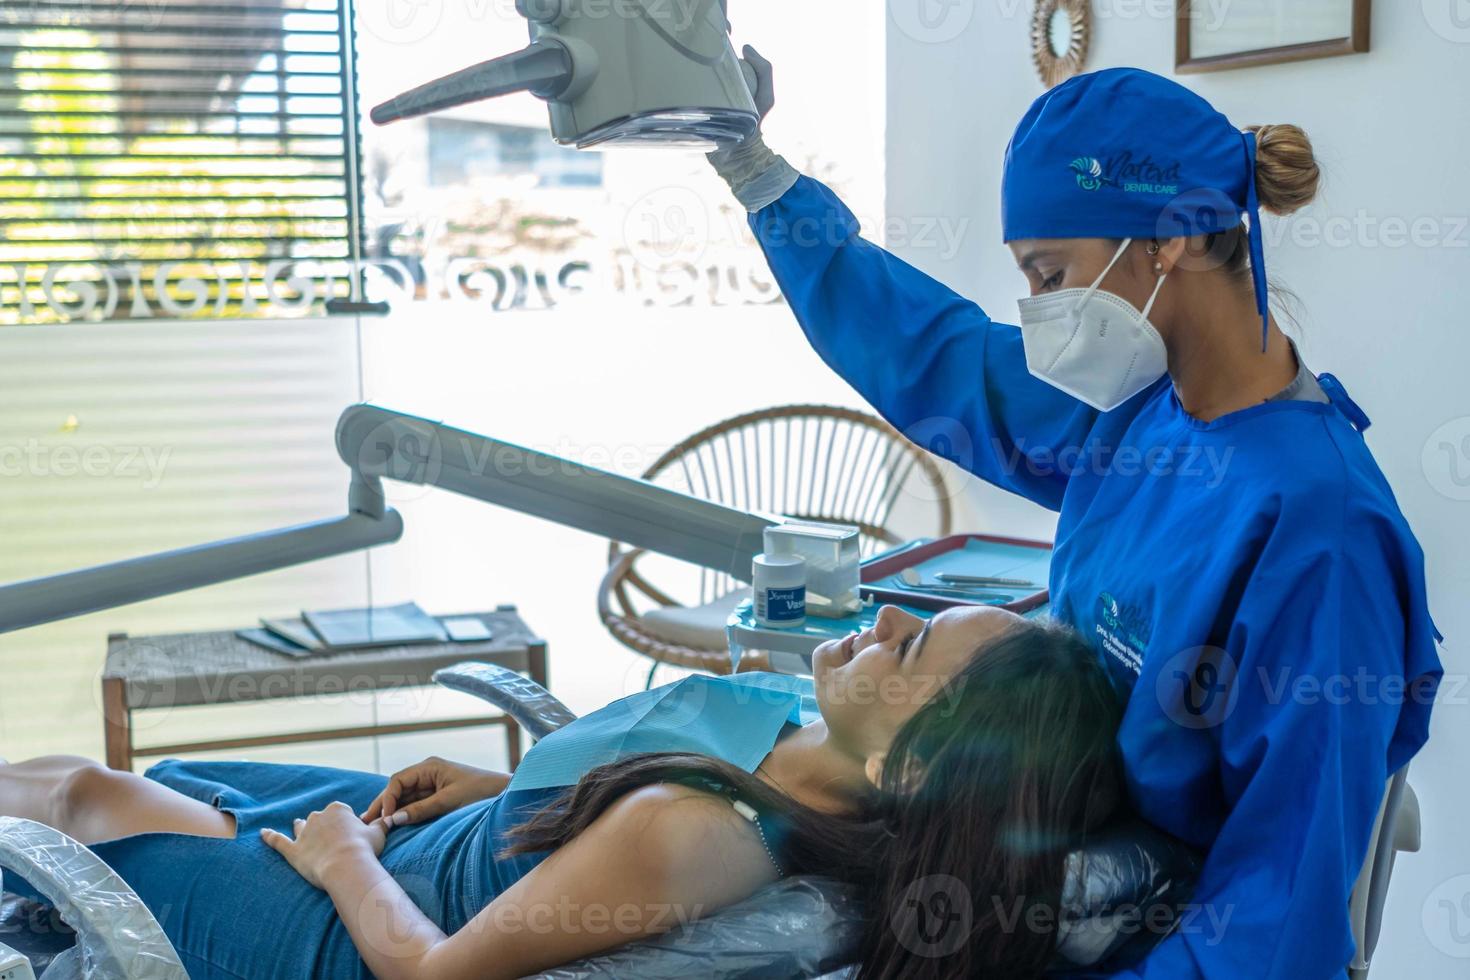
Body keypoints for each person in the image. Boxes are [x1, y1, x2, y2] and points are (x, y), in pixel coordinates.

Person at [708, 58, 1443, 978]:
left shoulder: (1316, 531)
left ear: (1166, 239)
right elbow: (940, 359)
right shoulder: (1143, 412)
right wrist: (759, 177)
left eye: (1052, 274)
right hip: (1045, 860)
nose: (1043, 311)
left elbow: (1279, 910)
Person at [0, 606, 1123, 979]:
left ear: (913, 765)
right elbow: (655, 762)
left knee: (81, 798)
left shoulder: (694, 835)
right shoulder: (803, 750)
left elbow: (434, 973)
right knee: (121, 781)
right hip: (470, 833)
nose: (879, 618)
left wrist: (344, 856)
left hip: (370, 921)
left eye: (911, 640)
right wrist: (527, 791)